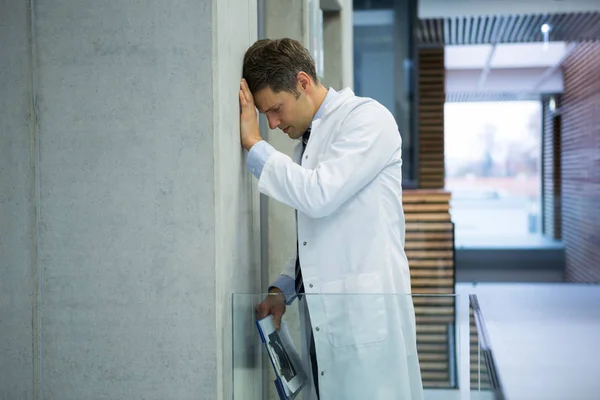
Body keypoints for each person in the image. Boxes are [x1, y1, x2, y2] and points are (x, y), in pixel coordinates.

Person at [239, 38, 424, 400]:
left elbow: (319, 195)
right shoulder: (306, 144)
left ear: (303, 82)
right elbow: (314, 234)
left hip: (365, 320)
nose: (273, 124)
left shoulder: (368, 119)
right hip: (326, 321)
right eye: (265, 117)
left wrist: (254, 144)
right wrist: (282, 288)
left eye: (276, 109)